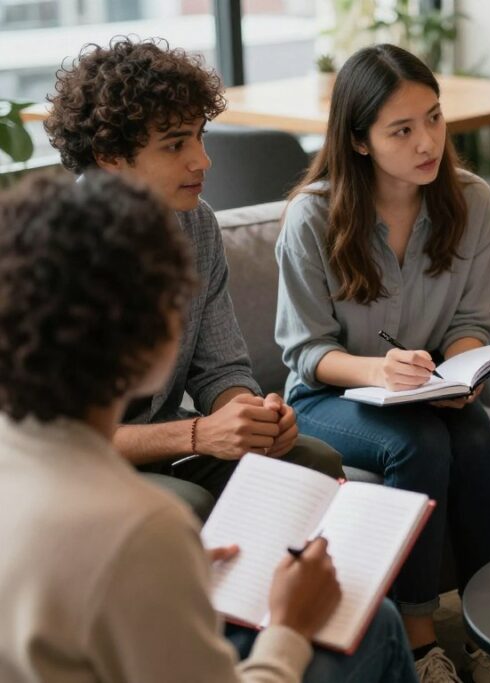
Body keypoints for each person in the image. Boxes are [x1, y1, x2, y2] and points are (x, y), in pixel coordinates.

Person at [0, 172, 416, 683]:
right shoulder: (140, 527)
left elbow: (223, 370)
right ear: (154, 335)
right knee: (377, 626)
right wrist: (288, 625)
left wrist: (247, 417)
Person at [275, 44, 490, 683]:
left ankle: (489, 632)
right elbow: (306, 352)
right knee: (418, 446)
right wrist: (379, 372)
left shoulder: (471, 201)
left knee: (475, 438)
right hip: (330, 396)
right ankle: (419, 642)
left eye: (434, 119)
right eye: (402, 130)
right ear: (359, 141)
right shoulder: (312, 217)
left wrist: (459, 373)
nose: (427, 142)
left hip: (426, 386)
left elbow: (471, 323)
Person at [43, 37, 343, 520]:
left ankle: (289, 594)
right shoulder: (53, 253)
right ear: (109, 155)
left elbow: (220, 366)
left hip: (166, 442)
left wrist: (251, 416)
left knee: (314, 462)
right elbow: (62, 439)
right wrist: (200, 435)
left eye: (200, 135)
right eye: (176, 144)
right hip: (74, 469)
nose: (203, 160)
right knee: (188, 504)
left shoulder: (195, 224)